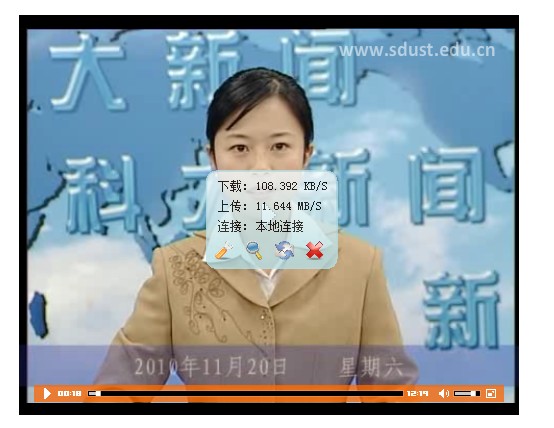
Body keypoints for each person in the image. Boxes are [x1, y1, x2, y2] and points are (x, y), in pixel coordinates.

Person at [94, 67, 418, 399]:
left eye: (279, 146)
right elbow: (116, 391)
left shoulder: (358, 265)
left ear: (306, 154)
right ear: (213, 158)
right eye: (240, 148)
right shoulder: (176, 267)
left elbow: (392, 393)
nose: (261, 168)